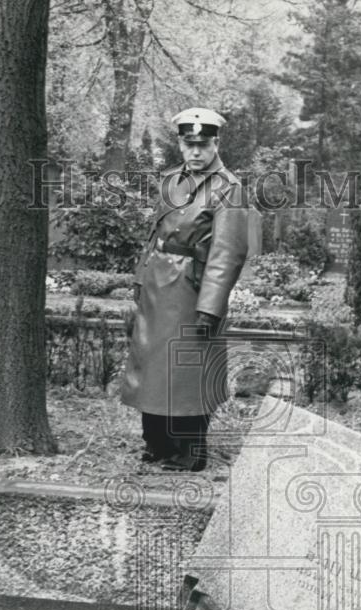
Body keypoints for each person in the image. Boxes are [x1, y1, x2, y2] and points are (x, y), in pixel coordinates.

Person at [120, 107, 250, 472]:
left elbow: (228, 254)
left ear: (216, 143)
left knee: (185, 372)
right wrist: (139, 278)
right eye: (189, 144)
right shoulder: (170, 179)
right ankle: (157, 444)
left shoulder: (228, 188)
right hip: (157, 287)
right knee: (151, 369)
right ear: (180, 143)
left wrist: (210, 307)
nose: (195, 152)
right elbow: (154, 236)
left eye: (203, 145)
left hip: (192, 292)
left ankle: (188, 452)